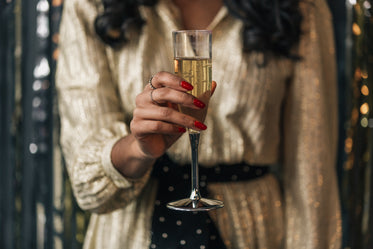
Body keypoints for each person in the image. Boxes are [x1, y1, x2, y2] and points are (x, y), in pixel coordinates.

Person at [56, 0, 342, 248]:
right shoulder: (92, 5)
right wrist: (138, 148)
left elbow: (312, 172)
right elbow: (87, 183)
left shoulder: (300, 8)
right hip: (129, 231)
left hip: (254, 229)